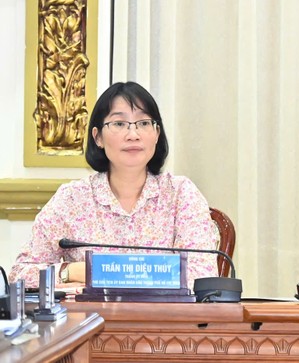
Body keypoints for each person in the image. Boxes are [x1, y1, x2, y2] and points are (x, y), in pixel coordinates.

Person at [10, 82, 219, 289]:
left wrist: (116, 273)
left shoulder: (180, 194)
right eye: (119, 124)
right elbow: (20, 275)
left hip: (163, 321)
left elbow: (202, 276)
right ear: (98, 137)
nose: (133, 134)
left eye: (144, 123)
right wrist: (72, 271)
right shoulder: (72, 199)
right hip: (92, 321)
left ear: (157, 133)